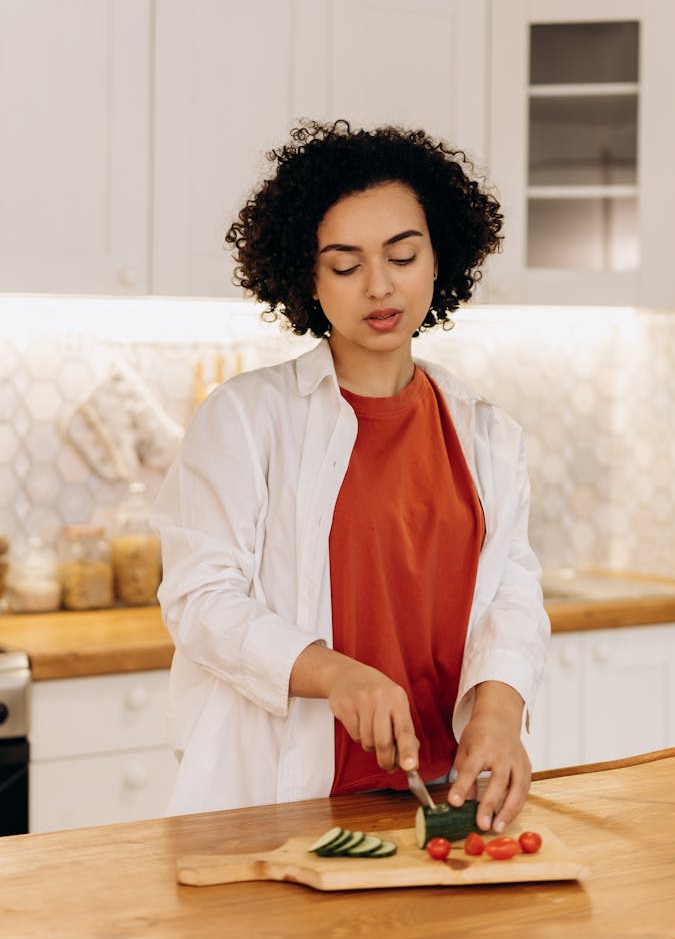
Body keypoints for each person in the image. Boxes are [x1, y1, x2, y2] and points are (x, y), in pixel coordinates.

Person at [153, 119, 550, 834]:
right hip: (285, 805)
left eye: (403, 254)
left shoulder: (487, 431)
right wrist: (334, 673)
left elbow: (511, 593)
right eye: (344, 264)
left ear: (439, 260)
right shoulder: (245, 418)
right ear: (306, 275)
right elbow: (200, 599)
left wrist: (500, 707)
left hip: (445, 804)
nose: (378, 285)